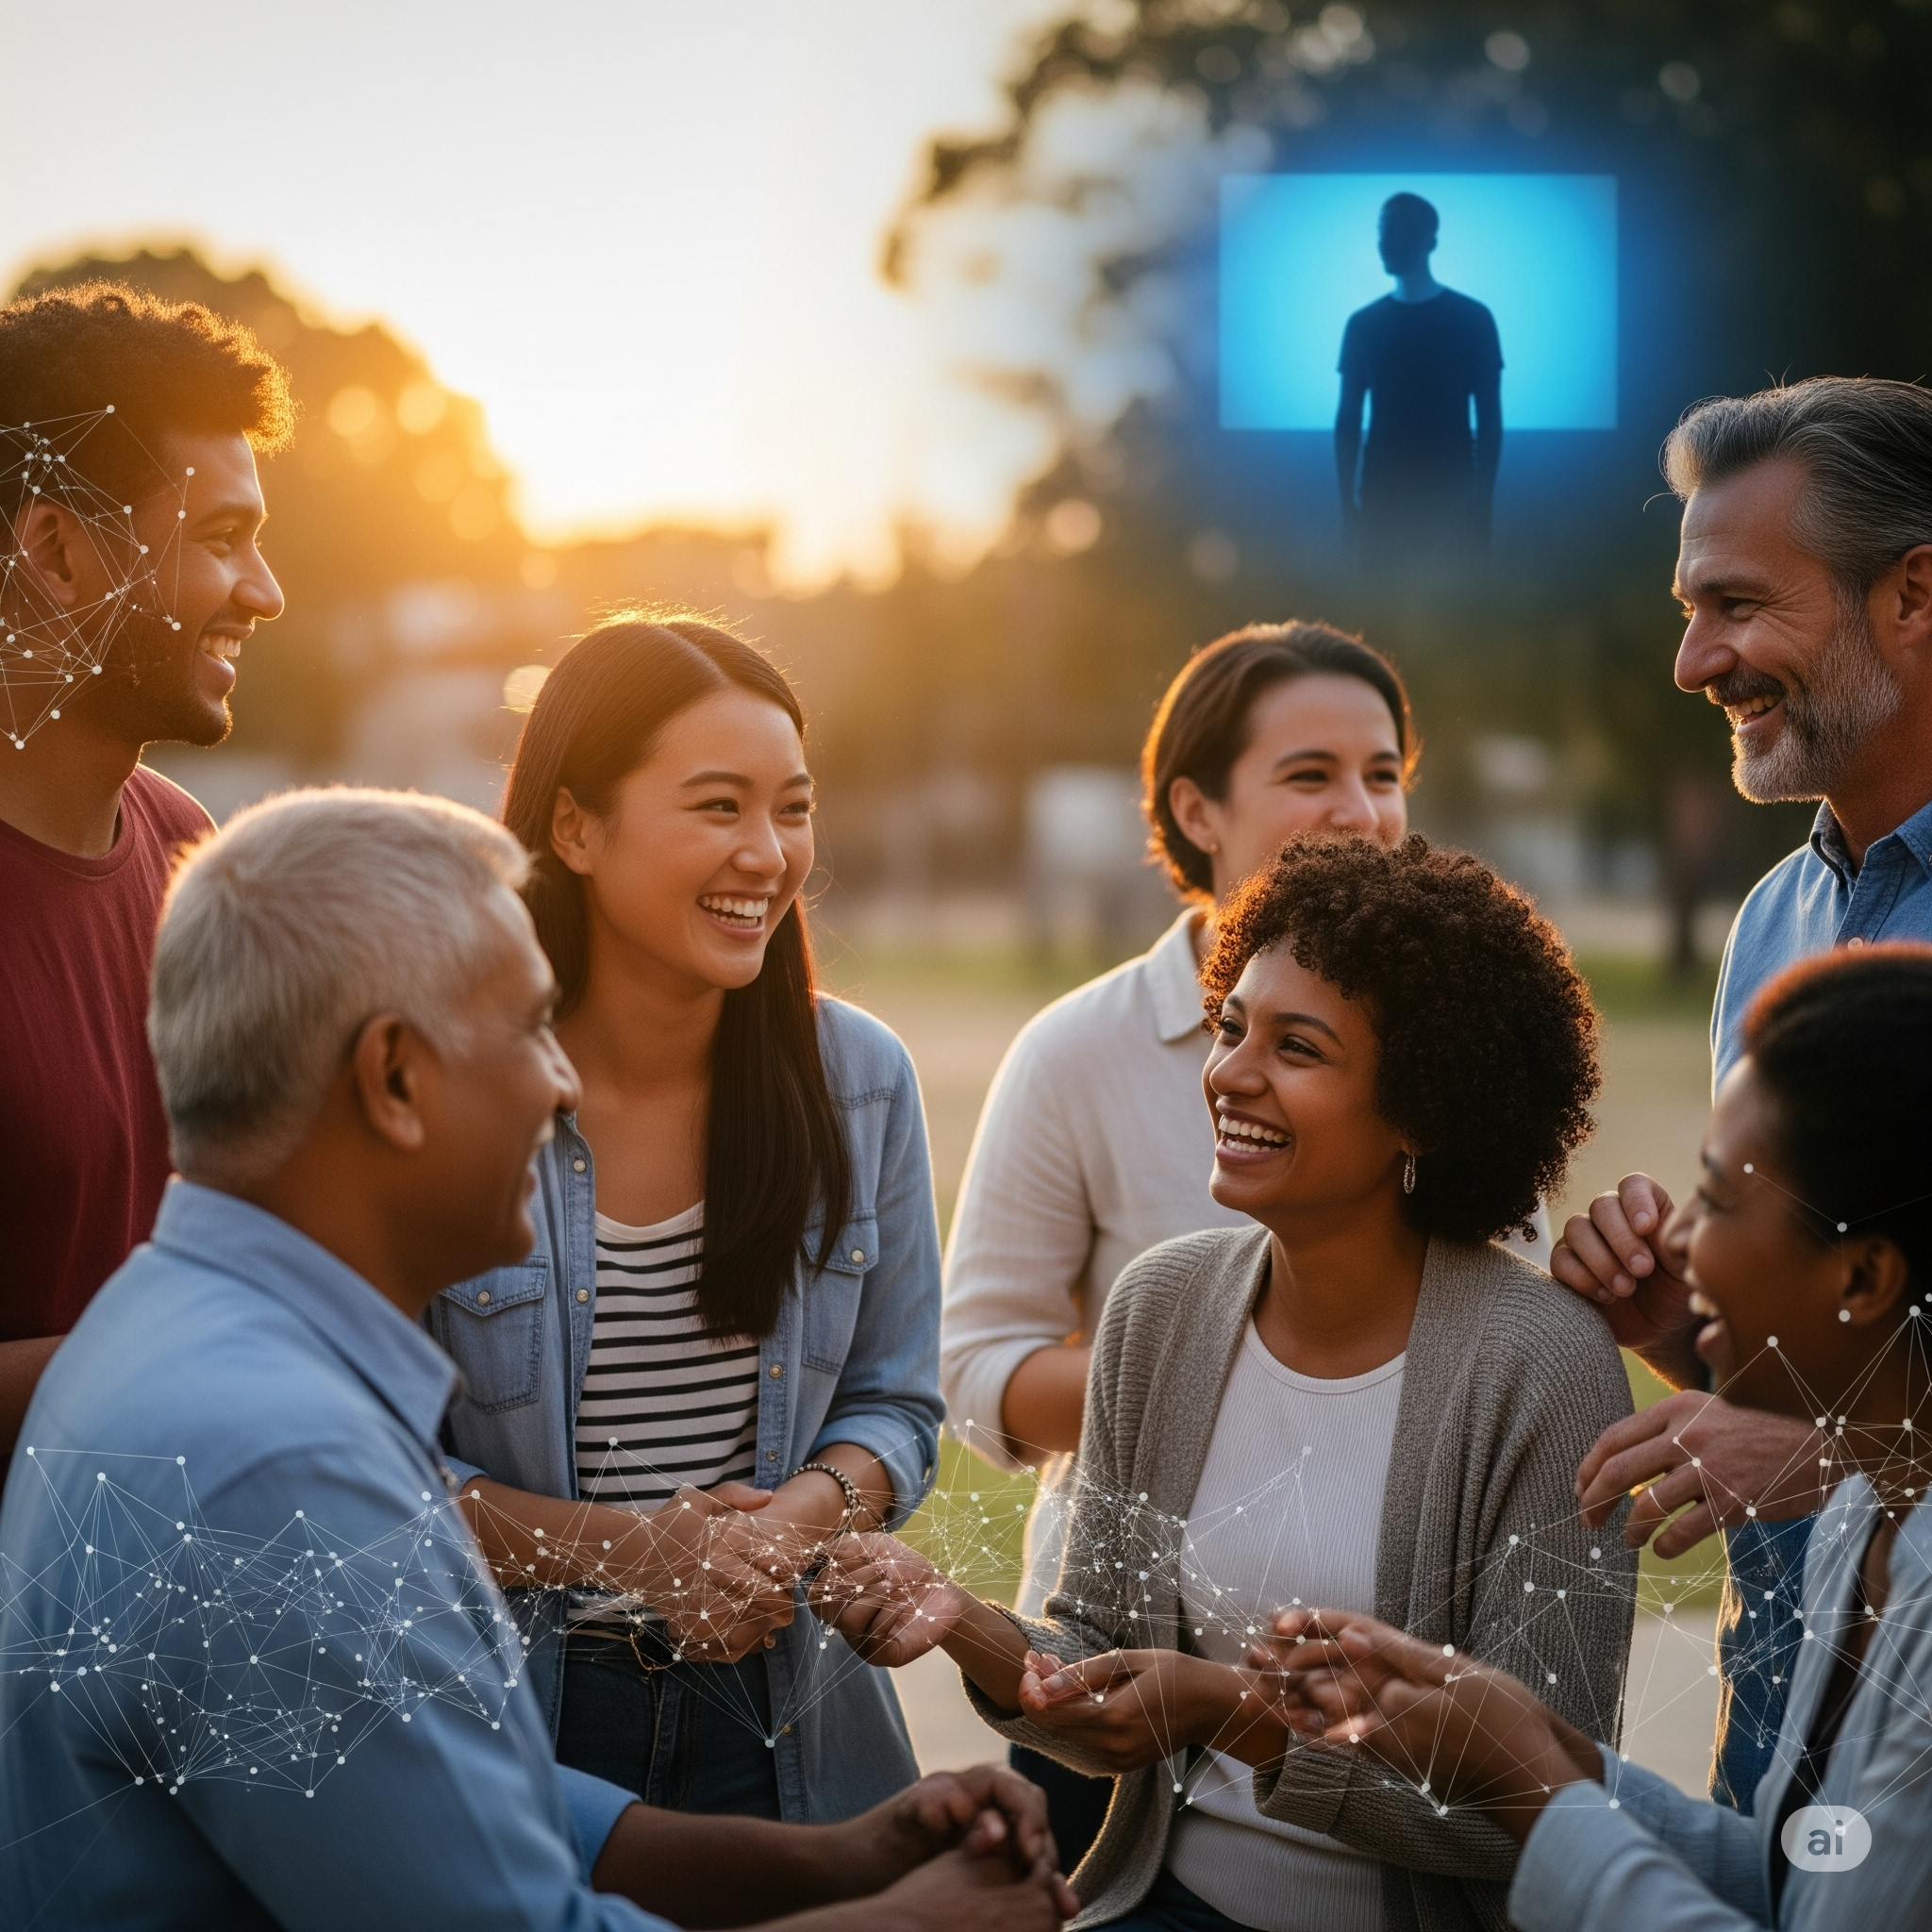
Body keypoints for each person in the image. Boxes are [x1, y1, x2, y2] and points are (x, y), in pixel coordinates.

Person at [0, 787, 1076, 1932]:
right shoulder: (276, 1463)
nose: (562, 1086)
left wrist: (836, 1859)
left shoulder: (204, 1341)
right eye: (528, 1029)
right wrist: (919, 1922)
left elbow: (437, 1796)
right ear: (395, 1079)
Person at [819, 834, 1634, 1932]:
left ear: (1423, 1110)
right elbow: (1089, 1659)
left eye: (1296, 1046)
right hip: (1163, 1904)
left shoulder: (1543, 1365)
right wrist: (957, 1619)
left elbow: (1541, 1807)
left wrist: (1240, 1717)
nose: (1229, 1073)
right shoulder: (1159, 1308)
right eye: (1228, 1025)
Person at [1268, 943, 1932, 1929]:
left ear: (1862, 1279)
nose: (1671, 1234)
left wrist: (1535, 1786)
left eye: (1715, 1194)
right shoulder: (1860, 1518)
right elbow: (1794, 1875)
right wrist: (1534, 1743)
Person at [432, 616, 944, 1824]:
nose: (767, 854)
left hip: (787, 1731)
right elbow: (363, 1460)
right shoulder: (444, 1082)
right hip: (512, 1728)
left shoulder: (858, 1080)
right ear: (575, 826)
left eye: (792, 808)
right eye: (717, 806)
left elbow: (899, 1401)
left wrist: (802, 1514)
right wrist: (632, 1549)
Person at [941, 621, 1424, 1864]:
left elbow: (1492, 1325)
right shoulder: (1076, 1052)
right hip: (1114, 1666)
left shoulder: (1450, 1052)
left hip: (1386, 1658)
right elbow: (978, 1368)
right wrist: (1207, 1374)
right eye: (1312, 774)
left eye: (1384, 772)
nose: (1364, 811)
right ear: (1197, 809)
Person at [1551, 375, 1932, 1811]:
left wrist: (1834, 1452)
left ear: (1914, 594)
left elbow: (1835, 1437)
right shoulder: (1777, 920)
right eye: (1685, 609)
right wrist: (1687, 1333)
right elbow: (1831, 1369)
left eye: (1737, 604)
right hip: (1780, 1728)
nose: (1693, 661)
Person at [0, 282, 289, 1464]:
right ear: (60, 551)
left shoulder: (188, 853)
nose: (266, 591)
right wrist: (227, 1340)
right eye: (220, 538)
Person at [1335, 193, 1503, 568]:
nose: (1386, 241)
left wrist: (1481, 507)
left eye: (1399, 230)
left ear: (1429, 240)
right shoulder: (1363, 325)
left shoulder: (1473, 320)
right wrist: (1349, 506)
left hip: (1449, 503)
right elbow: (1346, 421)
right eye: (1383, 230)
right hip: (1385, 502)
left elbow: (1490, 420)